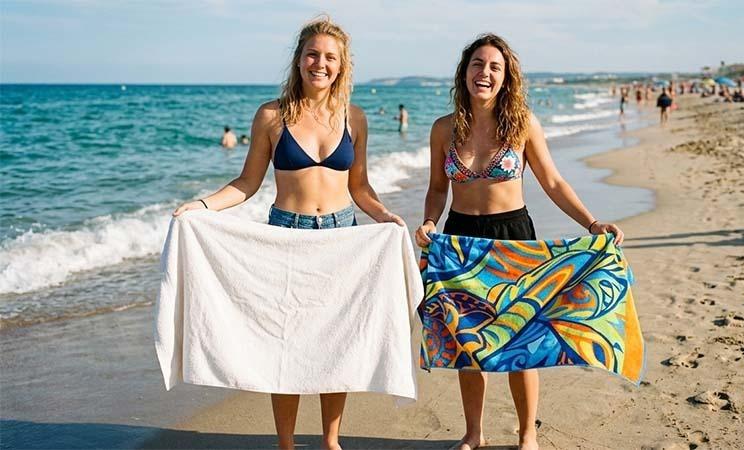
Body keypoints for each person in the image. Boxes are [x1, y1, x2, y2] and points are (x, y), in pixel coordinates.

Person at [173, 17, 404, 450]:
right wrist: (201, 206)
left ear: (342, 66)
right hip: (286, 237)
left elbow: (359, 186)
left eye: (330, 57)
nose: (320, 63)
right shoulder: (271, 116)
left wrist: (385, 216)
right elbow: (246, 183)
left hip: (341, 238)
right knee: (287, 343)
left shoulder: (354, 118)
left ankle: (331, 440)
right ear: (299, 60)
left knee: (340, 340)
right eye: (312, 55)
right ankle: (286, 443)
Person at [414, 33, 623, 450]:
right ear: (464, 71)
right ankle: (474, 434)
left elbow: (552, 181)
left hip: (512, 240)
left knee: (520, 341)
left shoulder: (523, 124)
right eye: (477, 64)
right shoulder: (444, 129)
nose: (484, 73)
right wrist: (429, 222)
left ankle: (528, 435)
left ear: (506, 76)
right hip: (459, 242)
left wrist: (592, 222)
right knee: (466, 343)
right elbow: (438, 188)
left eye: (494, 66)